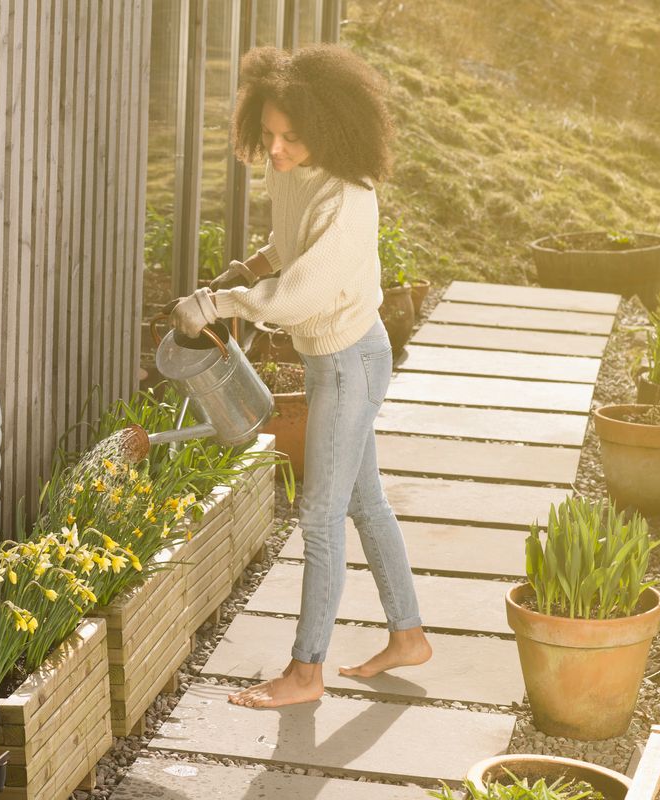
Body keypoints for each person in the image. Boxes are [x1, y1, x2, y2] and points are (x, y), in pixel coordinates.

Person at [170, 44, 431, 709]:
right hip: (335, 360)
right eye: (269, 135)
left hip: (348, 362)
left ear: (332, 129)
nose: (278, 150)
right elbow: (290, 245)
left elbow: (294, 299)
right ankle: (408, 635)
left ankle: (305, 673)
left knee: (318, 516)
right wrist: (247, 265)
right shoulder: (298, 173)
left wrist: (216, 304)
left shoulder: (349, 198)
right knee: (364, 501)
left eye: (291, 138)